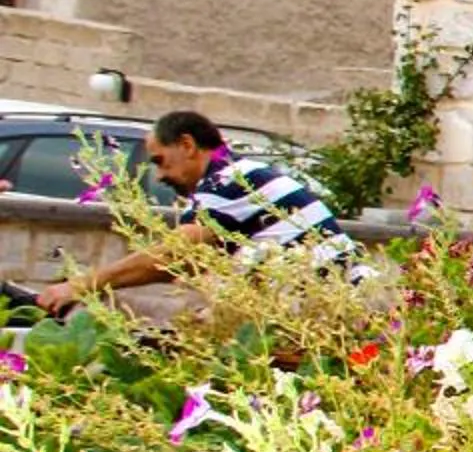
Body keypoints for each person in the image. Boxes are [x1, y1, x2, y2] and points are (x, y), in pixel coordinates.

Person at [40, 110, 361, 312]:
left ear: (187, 145)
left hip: (339, 308)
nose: (161, 176)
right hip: (335, 305)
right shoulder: (238, 175)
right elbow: (187, 266)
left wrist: (80, 286)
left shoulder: (228, 181)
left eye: (160, 161)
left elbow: (172, 255)